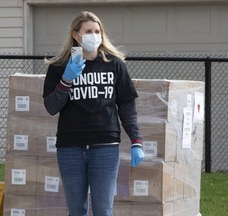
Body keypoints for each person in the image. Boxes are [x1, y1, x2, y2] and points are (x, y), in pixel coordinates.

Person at [43, 11, 145, 216]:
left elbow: (126, 106)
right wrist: (66, 80)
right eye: (89, 31)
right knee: (76, 210)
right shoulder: (59, 67)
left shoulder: (114, 65)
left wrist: (136, 141)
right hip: (70, 147)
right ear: (76, 35)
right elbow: (51, 107)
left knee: (103, 210)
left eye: (98, 31)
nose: (94, 35)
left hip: (105, 146)